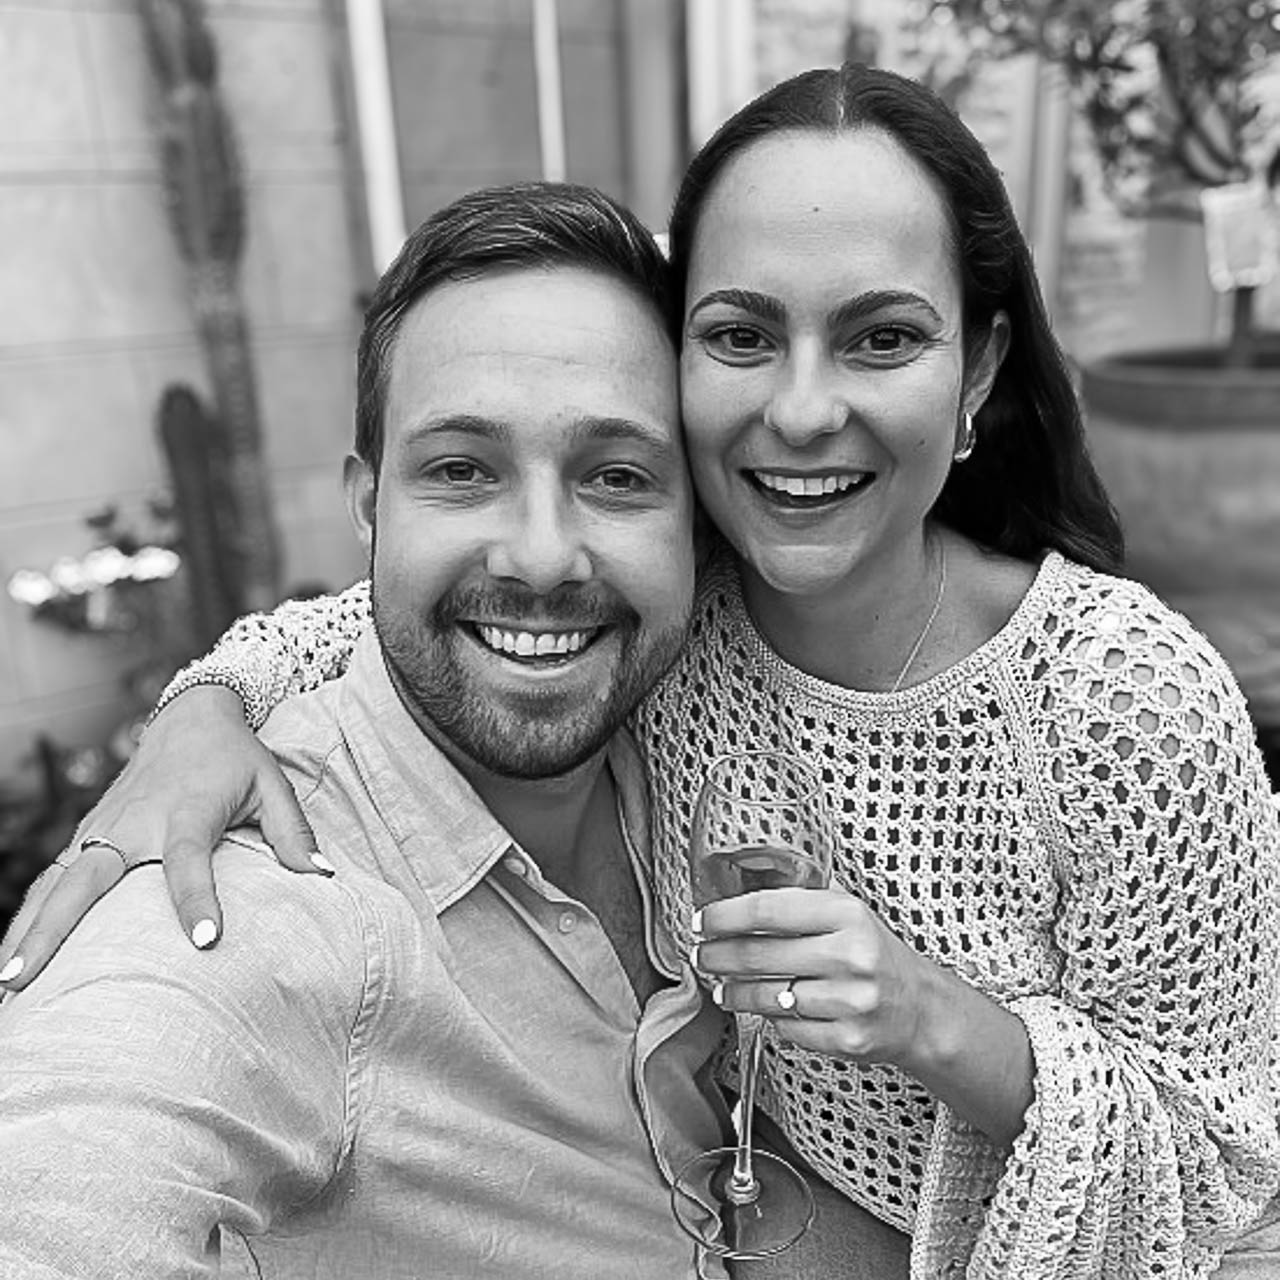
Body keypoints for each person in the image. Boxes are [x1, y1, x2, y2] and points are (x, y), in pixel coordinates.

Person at [6, 63, 1280, 1277]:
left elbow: (1224, 1157)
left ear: (979, 370)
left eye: (882, 337)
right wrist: (205, 707)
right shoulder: (672, 603)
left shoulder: (1118, 704)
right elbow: (395, 614)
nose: (799, 410)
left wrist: (933, 1020)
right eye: (741, 334)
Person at [0, 181, 740, 1278]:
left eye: (618, 476)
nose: (542, 557)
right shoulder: (264, 903)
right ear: (367, 505)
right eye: (461, 471)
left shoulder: (706, 722)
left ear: (699, 529)